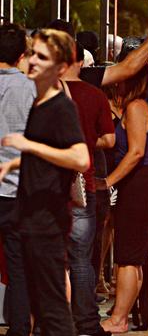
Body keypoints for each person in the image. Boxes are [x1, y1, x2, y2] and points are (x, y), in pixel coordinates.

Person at [0, 28, 89, 335]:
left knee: (53, 312)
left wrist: (28, 146)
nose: (33, 61)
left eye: (42, 56)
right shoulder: (38, 102)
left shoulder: (60, 107)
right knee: (41, 305)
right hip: (30, 215)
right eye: (32, 53)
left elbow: (81, 158)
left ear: (61, 67)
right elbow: (48, 154)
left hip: (47, 222)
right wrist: (16, 161)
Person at [98, 63, 148, 333]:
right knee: (133, 256)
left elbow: (136, 152)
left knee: (127, 256)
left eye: (122, 79)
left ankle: (119, 319)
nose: (117, 83)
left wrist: (109, 181)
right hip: (141, 185)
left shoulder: (136, 108)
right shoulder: (142, 106)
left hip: (137, 184)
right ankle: (122, 316)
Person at [60, 42, 115, 336]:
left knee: (53, 258)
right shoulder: (94, 95)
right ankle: (86, 323)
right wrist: (85, 140)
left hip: (48, 187)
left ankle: (53, 322)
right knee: (81, 259)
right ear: (81, 62)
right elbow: (109, 140)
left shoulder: (44, 93)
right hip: (82, 183)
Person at [0, 23, 36, 336]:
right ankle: (20, 327)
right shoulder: (30, 88)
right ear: (21, 55)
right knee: (18, 262)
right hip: (16, 189)